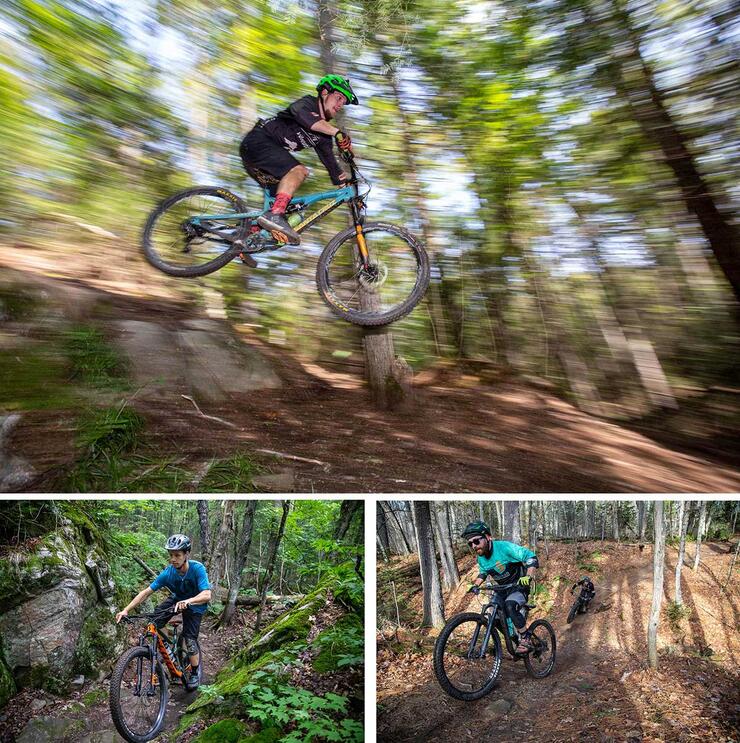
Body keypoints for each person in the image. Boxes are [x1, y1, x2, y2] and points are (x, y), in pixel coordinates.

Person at [239, 74, 357, 247]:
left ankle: (243, 239)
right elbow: (304, 117)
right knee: (299, 171)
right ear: (325, 92)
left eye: (343, 103)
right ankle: (275, 216)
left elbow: (332, 167)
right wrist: (337, 133)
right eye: (339, 98)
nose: (340, 105)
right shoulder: (307, 104)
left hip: (260, 160)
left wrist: (349, 188)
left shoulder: (323, 137)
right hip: (258, 142)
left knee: (283, 207)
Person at [115, 534, 211, 689]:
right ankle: (168, 647)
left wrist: (188, 601)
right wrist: (126, 610)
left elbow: (206, 595)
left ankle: (194, 672)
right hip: (177, 599)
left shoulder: (197, 568)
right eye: (171, 555)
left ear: (186, 554)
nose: (173, 559)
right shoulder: (168, 573)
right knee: (155, 619)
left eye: (177, 555)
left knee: (190, 638)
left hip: (196, 603)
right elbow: (146, 592)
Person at [462, 520, 539, 653]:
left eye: (476, 541)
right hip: (502, 589)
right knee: (493, 615)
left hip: (519, 586)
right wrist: (475, 585)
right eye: (470, 543)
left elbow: (531, 557)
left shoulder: (504, 547)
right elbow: (483, 572)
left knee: (510, 606)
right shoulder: (481, 557)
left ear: (487, 537)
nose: (473, 546)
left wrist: (528, 576)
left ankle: (526, 638)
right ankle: (513, 639)